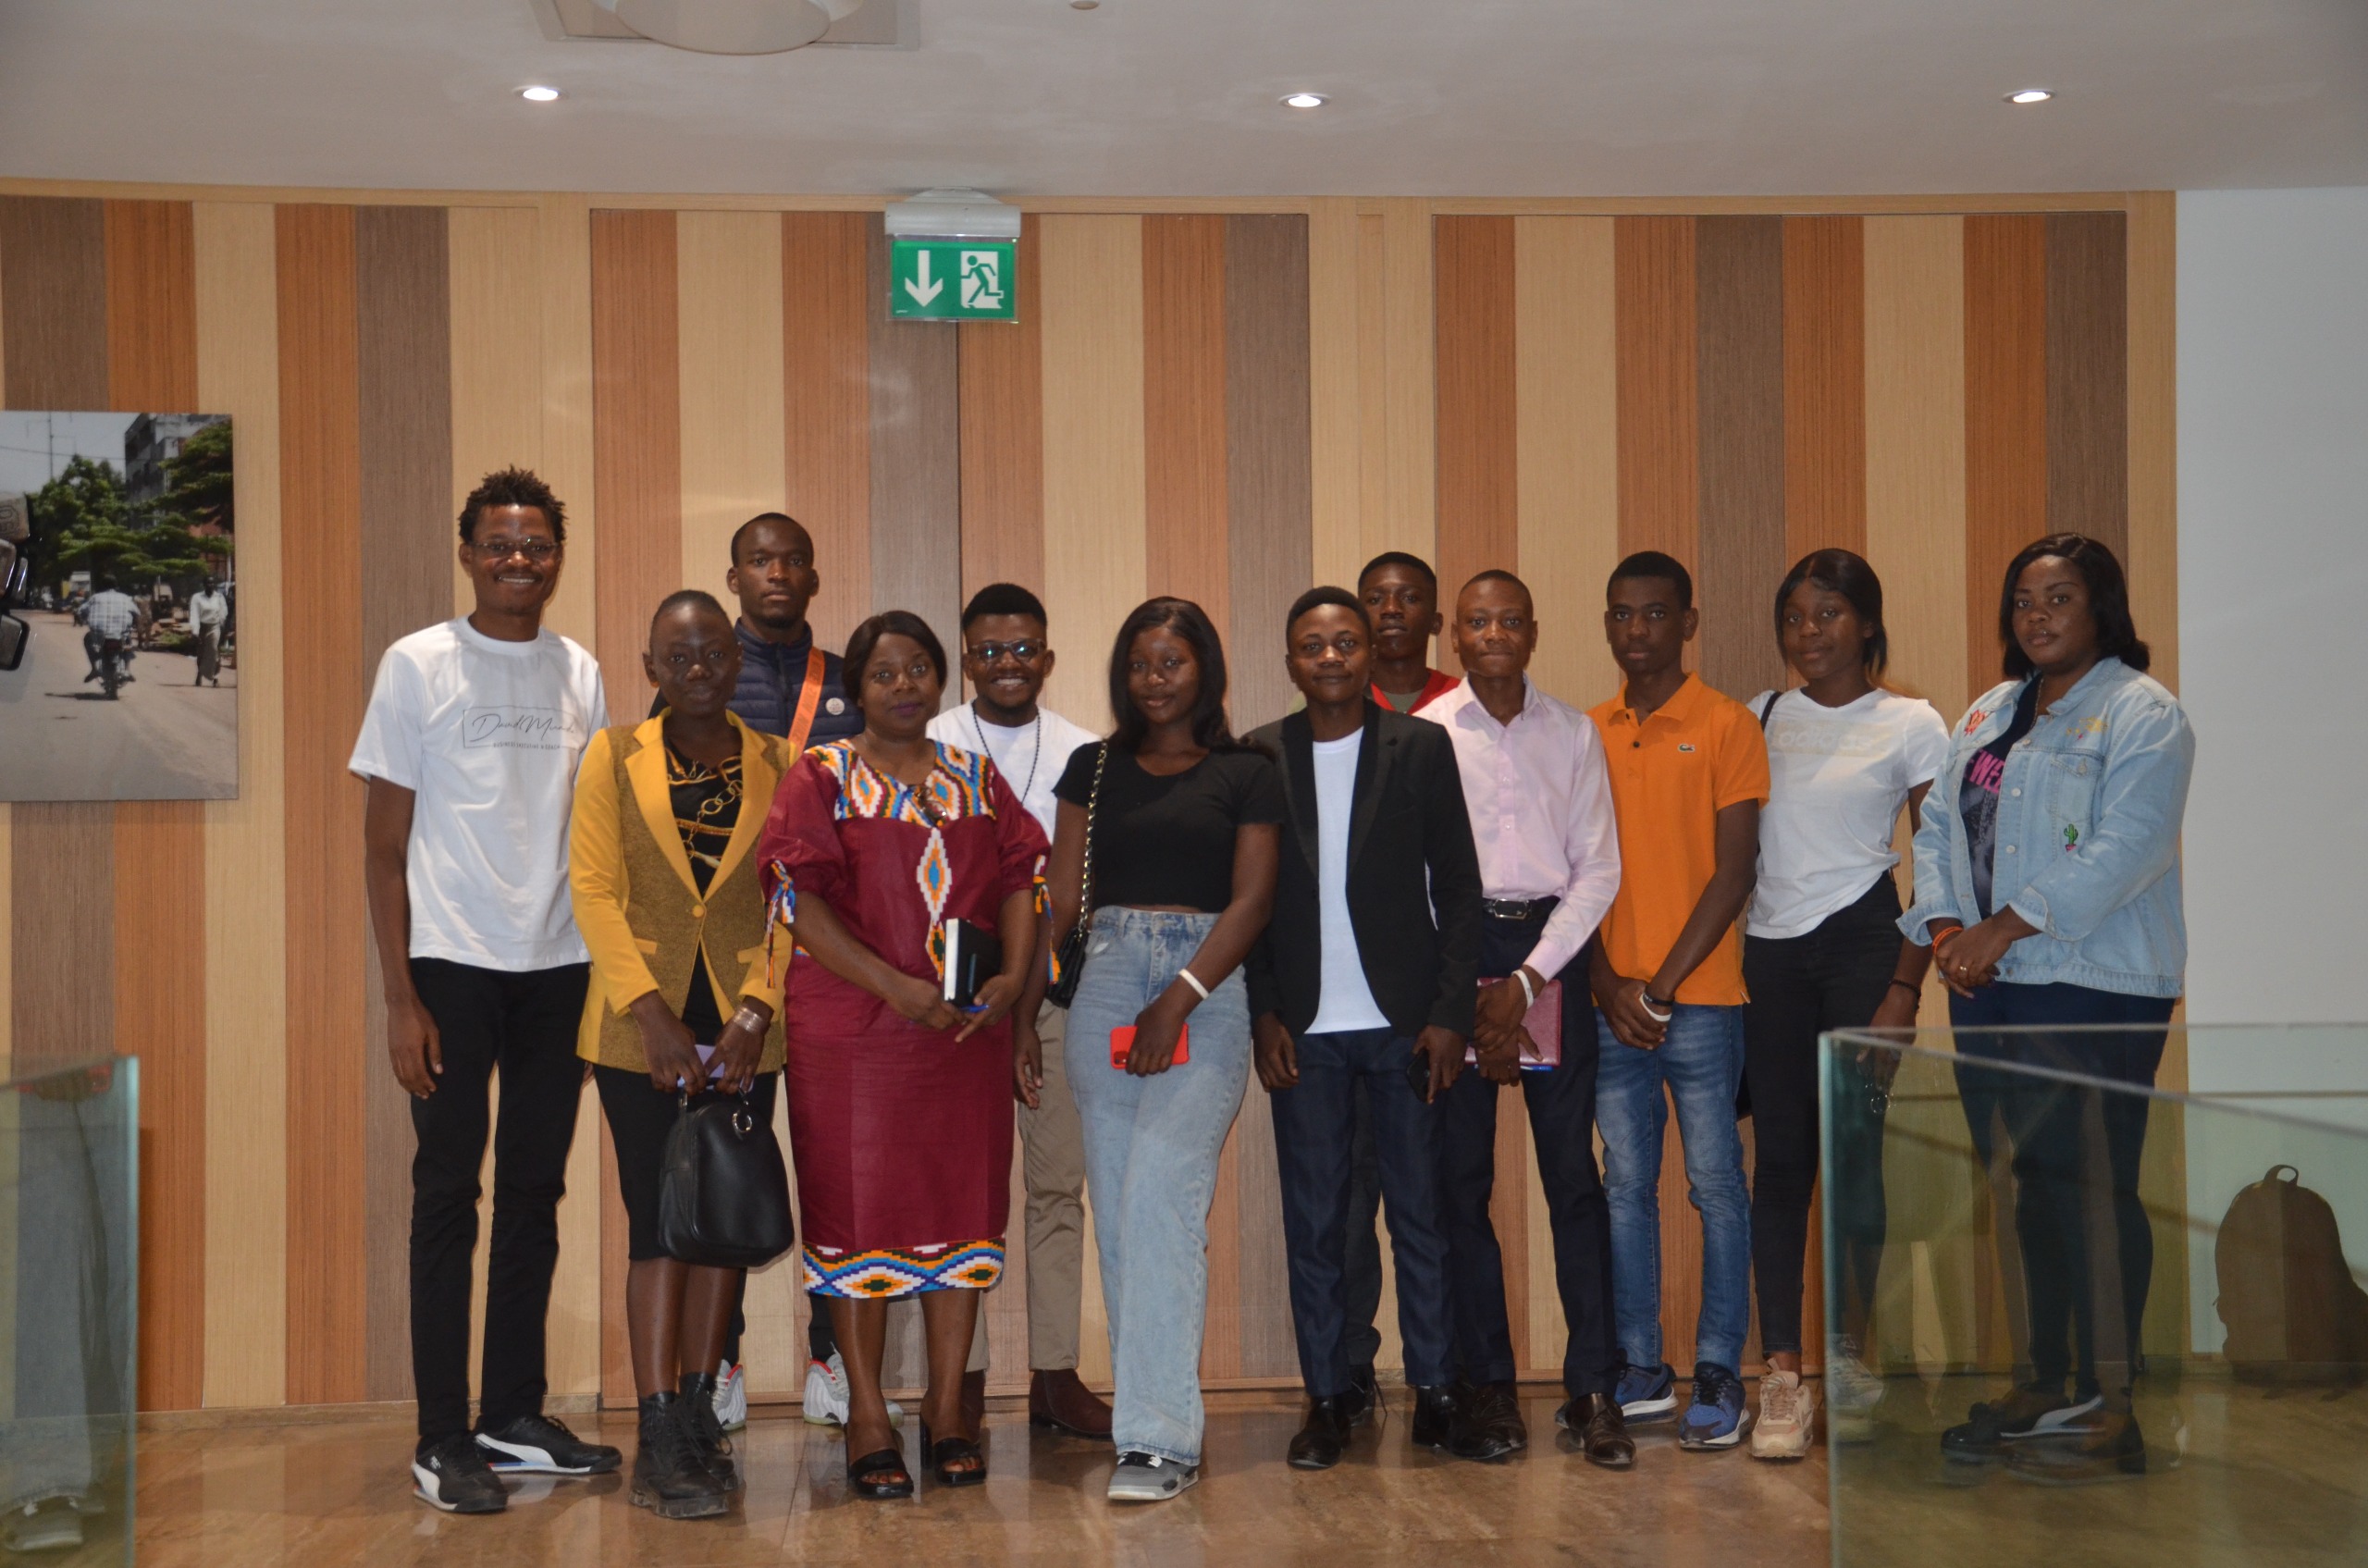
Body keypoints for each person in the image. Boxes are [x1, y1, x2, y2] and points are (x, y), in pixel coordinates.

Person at [350, 467, 622, 1514]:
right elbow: (382, 852)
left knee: (535, 1195)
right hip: (453, 966)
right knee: (445, 1196)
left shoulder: (580, 672)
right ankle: (439, 1434)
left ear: (558, 556)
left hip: (559, 968)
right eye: (500, 544)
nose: (519, 561)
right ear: (468, 552)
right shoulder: (418, 665)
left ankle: (511, 1414)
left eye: (537, 545)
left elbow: (592, 836)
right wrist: (398, 998)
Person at [1906, 535, 2192, 1485]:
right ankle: (2040, 1382)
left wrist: (2006, 929)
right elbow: (1941, 821)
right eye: (2023, 600)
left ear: (2100, 607)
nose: (2037, 616)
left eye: (2058, 598)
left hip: (2091, 980)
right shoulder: (1991, 711)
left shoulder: (2144, 715)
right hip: (1990, 984)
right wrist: (1947, 922)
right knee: (2026, 1182)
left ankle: (2111, 1403)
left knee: (2094, 1187)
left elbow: (2127, 848)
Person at [757, 611, 1043, 1500]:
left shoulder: (974, 775)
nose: (905, 686)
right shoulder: (822, 775)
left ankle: (949, 1407)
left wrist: (1013, 977)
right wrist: (893, 985)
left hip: (963, 1037)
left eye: (920, 669)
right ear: (859, 687)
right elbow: (795, 900)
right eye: (885, 673)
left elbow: (1024, 876)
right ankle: (870, 1414)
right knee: (856, 1218)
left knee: (963, 1209)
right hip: (852, 1037)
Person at [1045, 598, 1282, 1502]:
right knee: (1119, 1207)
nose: (1155, 678)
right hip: (1104, 977)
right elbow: (1062, 903)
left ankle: (1158, 1439)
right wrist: (1024, 1014)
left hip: (1209, 985)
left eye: (1172, 662)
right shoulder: (1092, 767)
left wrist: (1177, 1002)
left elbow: (1253, 902)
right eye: (1140, 663)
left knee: (1165, 1204)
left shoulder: (1245, 771)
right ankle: (1153, 1430)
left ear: (1204, 670)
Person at [1245, 587, 1482, 1470]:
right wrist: (1264, 1011)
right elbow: (1253, 904)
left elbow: (1459, 891)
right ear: (1292, 660)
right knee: (1317, 1225)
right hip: (1304, 1032)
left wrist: (1450, 1015)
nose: (1334, 657)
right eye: (1314, 645)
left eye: (1346, 641)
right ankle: (1330, 1395)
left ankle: (1437, 1391)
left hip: (1405, 1025)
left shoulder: (1421, 746)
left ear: (1367, 649)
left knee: (1421, 1215)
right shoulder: (1262, 754)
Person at [569, 590, 792, 1520]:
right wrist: (654, 1015)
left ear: (736, 664)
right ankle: (657, 1425)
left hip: (744, 1033)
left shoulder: (780, 763)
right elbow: (592, 886)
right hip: (639, 1033)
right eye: (677, 655)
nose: (697, 669)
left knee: (725, 1223)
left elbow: (793, 895)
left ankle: (701, 1409)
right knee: (660, 1224)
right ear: (650, 666)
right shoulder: (613, 755)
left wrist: (756, 1011)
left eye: (712, 654)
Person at [1740, 549, 1950, 1460]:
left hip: (1866, 948)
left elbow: (1939, 864)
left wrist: (1906, 986)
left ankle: (1848, 1359)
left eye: (1827, 615)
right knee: (1781, 1166)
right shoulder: (1759, 717)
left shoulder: (1911, 721)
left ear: (1865, 622)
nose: (1808, 634)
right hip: (1769, 959)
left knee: (1856, 1163)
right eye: (1793, 617)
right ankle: (1781, 1375)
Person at [664, 511, 870, 1436]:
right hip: (721, 966)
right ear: (735, 575)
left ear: (813, 579)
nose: (776, 574)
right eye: (759, 561)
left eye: (793, 560)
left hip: (821, 960)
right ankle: (724, 1366)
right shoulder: (700, 670)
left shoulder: (848, 687)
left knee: (830, 1163)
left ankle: (831, 1356)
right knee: (721, 1166)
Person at [1422, 571, 1632, 1468]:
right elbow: (1415, 876)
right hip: (1453, 970)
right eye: (1478, 622)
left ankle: (1593, 1390)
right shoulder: (1425, 736)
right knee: (1458, 1190)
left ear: (1534, 633)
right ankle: (1489, 1392)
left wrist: (1528, 977)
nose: (1495, 633)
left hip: (1549, 955)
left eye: (1510, 620)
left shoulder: (1575, 733)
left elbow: (1598, 871)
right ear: (1455, 639)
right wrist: (1471, 992)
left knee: (1571, 1184)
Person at [1586, 549, 1769, 1453]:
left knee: (1713, 1187)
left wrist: (1656, 989)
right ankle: (1640, 1368)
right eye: (1621, 615)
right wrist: (1605, 984)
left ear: (1686, 623)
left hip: (1700, 1003)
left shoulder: (1728, 724)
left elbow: (1734, 872)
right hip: (1609, 1008)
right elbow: (1567, 879)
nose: (1636, 632)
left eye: (1654, 614)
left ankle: (1719, 1369)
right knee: (1624, 1189)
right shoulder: (1587, 731)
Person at [926, 583, 1113, 1439]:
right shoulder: (926, 742)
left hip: (1054, 995)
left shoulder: (1086, 753)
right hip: (951, 1003)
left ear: (1047, 656)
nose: (1008, 664)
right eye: (990, 651)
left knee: (1054, 1185)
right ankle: (953, 1380)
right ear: (966, 660)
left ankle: (1053, 1373)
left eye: (1023, 649)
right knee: (953, 1190)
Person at [1331, 551, 1460, 1401]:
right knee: (1343, 1207)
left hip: (1433, 987)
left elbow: (1463, 874)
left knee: (1430, 1203)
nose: (1390, 611)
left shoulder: (1465, 707)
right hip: (1338, 997)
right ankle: (1348, 1369)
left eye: (1409, 598)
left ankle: (1440, 1381)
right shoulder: (1332, 712)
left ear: (1434, 617)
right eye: (1374, 598)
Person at [80, 575, 141, 684]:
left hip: (99, 634)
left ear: (102, 586)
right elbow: (137, 613)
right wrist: (134, 624)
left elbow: (81, 611)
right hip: (121, 633)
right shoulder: (125, 598)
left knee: (88, 638)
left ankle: (94, 669)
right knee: (127, 641)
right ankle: (127, 670)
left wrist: (84, 619)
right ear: (116, 586)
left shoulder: (95, 598)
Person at [188, 575, 229, 687]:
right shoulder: (197, 597)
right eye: (207, 583)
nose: (210, 585)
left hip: (214, 627)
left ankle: (216, 677)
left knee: (214, 650)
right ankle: (200, 674)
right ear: (204, 585)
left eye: (212, 583)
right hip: (202, 627)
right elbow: (194, 614)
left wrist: (222, 627)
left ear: (214, 585)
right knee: (201, 653)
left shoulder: (219, 597)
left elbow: (223, 613)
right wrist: (195, 632)